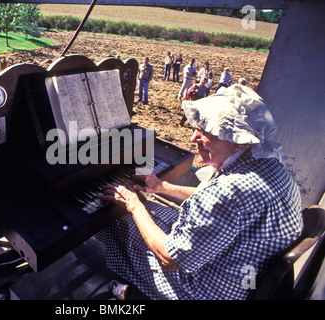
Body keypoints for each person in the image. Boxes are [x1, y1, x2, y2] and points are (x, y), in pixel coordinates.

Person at [97, 84, 303, 300]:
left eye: (206, 132)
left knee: (122, 224)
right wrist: (162, 187)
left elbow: (169, 260)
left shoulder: (228, 192)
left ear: (239, 140)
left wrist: (133, 204)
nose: (193, 139)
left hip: (209, 290)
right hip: (246, 273)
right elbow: (217, 206)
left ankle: (135, 293)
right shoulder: (266, 163)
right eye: (197, 128)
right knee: (151, 211)